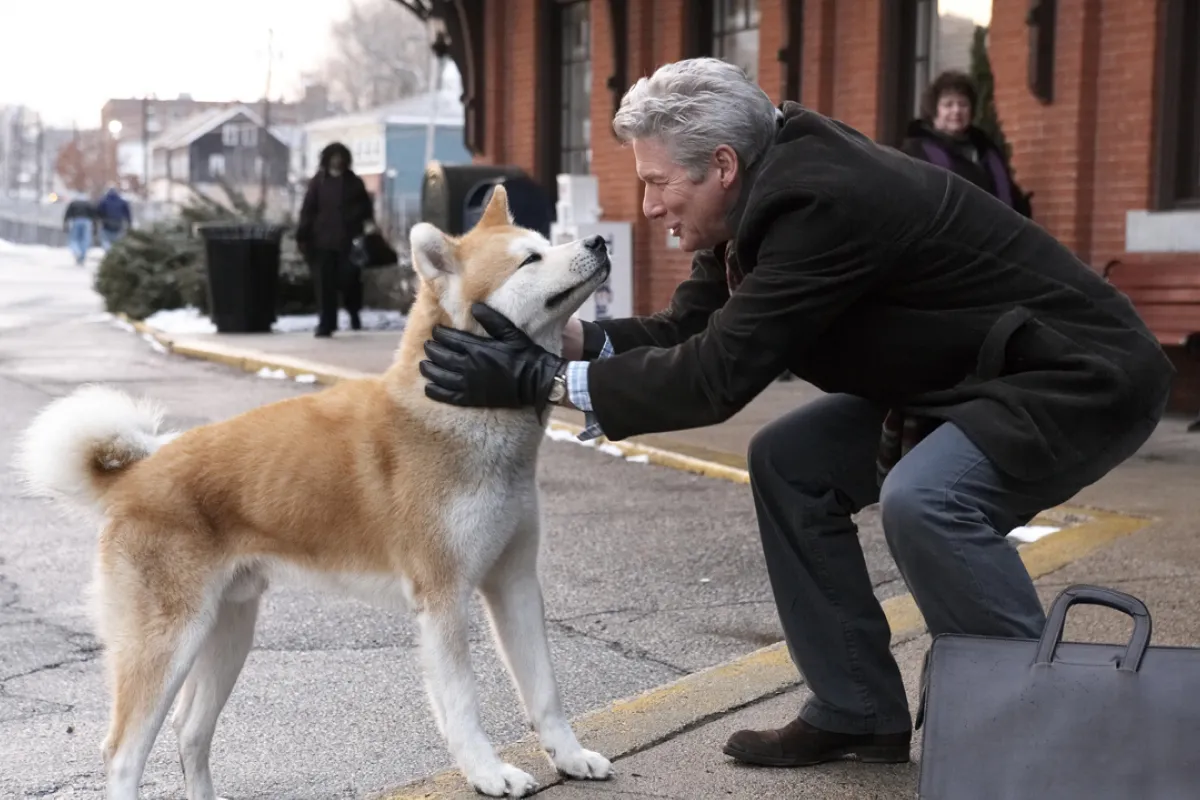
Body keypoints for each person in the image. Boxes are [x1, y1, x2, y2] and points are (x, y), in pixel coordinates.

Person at [418, 58, 1173, 769]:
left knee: (928, 500)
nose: (648, 208)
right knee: (790, 462)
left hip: (1076, 375)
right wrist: (564, 338)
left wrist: (539, 380)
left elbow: (716, 376)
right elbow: (693, 330)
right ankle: (856, 708)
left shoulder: (822, 202)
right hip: (967, 377)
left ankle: (1053, 731)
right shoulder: (758, 189)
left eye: (656, 184)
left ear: (721, 165)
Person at [900, 70, 1032, 218]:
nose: (956, 111)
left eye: (963, 104)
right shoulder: (916, 152)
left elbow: (1012, 198)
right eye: (948, 105)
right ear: (934, 111)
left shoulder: (988, 151)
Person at [296, 141, 378, 337]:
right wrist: (303, 235)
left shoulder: (354, 183)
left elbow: (366, 210)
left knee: (349, 281)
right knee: (324, 285)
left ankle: (353, 313)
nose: (337, 161)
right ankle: (326, 323)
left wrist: (365, 227)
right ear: (327, 159)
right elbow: (308, 210)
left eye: (340, 157)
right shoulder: (318, 183)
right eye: (333, 157)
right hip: (322, 242)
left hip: (349, 242)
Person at [94, 186, 132, 251]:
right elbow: (127, 214)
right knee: (117, 241)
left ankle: (108, 251)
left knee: (105, 240)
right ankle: (115, 252)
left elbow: (98, 212)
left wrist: (99, 219)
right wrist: (129, 223)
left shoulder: (104, 201)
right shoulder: (122, 201)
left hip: (106, 224)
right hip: (118, 224)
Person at [62, 193, 95, 266]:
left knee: (74, 239)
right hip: (86, 222)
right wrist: (94, 226)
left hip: (76, 221)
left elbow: (67, 214)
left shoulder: (73, 203)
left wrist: (65, 224)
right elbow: (93, 214)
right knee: (85, 239)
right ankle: (82, 255)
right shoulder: (88, 203)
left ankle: (77, 251)